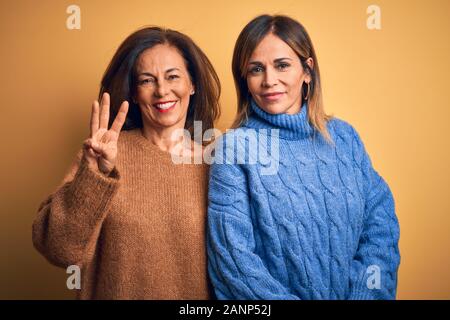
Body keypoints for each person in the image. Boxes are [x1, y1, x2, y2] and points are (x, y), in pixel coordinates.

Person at [207, 14, 400, 300]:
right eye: (256, 69)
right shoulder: (234, 150)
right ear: (245, 80)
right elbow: (233, 261)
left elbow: (380, 226)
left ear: (307, 70)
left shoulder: (344, 137)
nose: (269, 81)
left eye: (282, 65)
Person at [32, 26, 221, 299]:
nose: (161, 90)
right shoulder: (102, 154)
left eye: (173, 77)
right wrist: (94, 174)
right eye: (147, 80)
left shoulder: (217, 164)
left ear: (192, 85)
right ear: (134, 93)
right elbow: (60, 250)